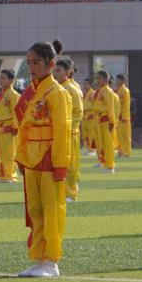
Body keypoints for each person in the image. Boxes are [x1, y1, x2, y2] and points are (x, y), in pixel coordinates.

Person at [14, 41, 71, 278]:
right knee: (35, 210)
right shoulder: (35, 92)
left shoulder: (58, 93)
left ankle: (51, 260)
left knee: (51, 210)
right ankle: (38, 257)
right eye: (28, 63)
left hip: (48, 156)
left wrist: (60, 164)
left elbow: (62, 130)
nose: (31, 67)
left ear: (50, 64)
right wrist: (22, 155)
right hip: (32, 156)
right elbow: (24, 126)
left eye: (36, 62)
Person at [55, 56, 83, 203]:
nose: (55, 73)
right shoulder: (57, 88)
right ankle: (62, 192)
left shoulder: (72, 89)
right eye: (55, 70)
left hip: (69, 133)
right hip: (58, 133)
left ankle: (70, 194)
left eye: (59, 70)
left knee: (71, 165)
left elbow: (78, 112)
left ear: (68, 72)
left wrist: (69, 129)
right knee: (60, 164)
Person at [0, 69, 20, 183]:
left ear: (11, 80)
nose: (1, 80)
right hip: (0, 128)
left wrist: (15, 126)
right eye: (0, 78)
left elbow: (15, 112)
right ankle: (3, 176)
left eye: (3, 78)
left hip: (9, 128)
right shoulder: (1, 94)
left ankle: (10, 176)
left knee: (9, 153)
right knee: (3, 154)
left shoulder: (13, 95)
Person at [93, 70, 118, 173]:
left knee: (108, 144)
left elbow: (110, 108)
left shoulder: (108, 92)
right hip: (99, 121)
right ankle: (105, 163)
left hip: (106, 121)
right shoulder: (101, 91)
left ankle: (110, 166)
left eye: (100, 78)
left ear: (106, 79)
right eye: (97, 78)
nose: (98, 81)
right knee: (102, 144)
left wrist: (112, 122)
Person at [115, 74, 132, 157]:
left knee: (126, 136)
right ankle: (121, 152)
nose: (116, 82)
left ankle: (127, 152)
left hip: (124, 117)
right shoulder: (118, 90)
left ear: (122, 81)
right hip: (119, 116)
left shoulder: (125, 90)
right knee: (119, 136)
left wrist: (123, 115)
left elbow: (126, 105)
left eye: (118, 80)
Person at [81, 78, 96, 156]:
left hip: (90, 116)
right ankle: (87, 148)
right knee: (85, 133)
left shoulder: (92, 93)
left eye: (86, 84)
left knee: (91, 133)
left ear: (91, 85)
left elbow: (95, 105)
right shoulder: (85, 94)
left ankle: (92, 149)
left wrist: (92, 114)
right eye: (84, 84)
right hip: (84, 116)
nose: (84, 86)